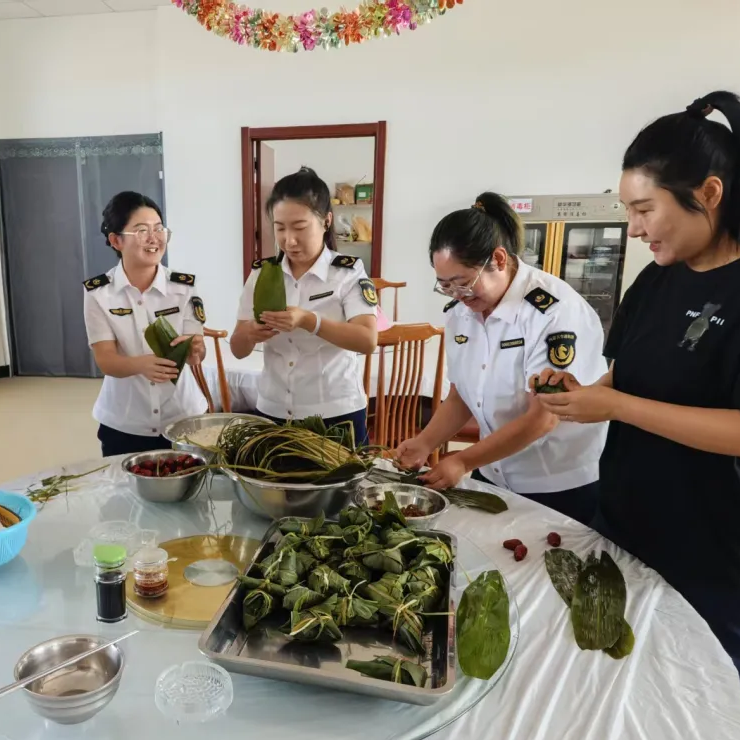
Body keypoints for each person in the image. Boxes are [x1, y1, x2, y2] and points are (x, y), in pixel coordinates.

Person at [535, 91, 740, 740]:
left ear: (709, 193)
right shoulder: (656, 282)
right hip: (629, 524)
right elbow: (624, 377)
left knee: (722, 715)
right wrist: (583, 396)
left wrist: (618, 406)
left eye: (644, 209)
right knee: (632, 686)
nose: (634, 228)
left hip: (719, 548)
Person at [395, 192, 607, 525]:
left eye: (463, 283)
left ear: (498, 258)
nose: (458, 295)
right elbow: (461, 395)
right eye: (445, 285)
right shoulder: (461, 313)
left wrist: (463, 461)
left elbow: (545, 418)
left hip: (556, 483)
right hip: (494, 471)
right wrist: (425, 442)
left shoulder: (553, 312)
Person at [230, 167, 378, 445]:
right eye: (279, 228)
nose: (289, 240)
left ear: (326, 221)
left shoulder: (347, 272)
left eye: (299, 228)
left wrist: (310, 321)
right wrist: (250, 332)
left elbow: (367, 340)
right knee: (274, 488)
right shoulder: (262, 274)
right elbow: (238, 349)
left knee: (339, 489)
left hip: (335, 414)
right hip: (273, 412)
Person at [83, 191, 206, 457]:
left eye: (159, 229)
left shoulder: (184, 287)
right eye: (141, 231)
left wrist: (196, 351)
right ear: (116, 240)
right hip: (125, 422)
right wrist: (141, 365)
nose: (154, 238)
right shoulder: (98, 293)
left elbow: (197, 352)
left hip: (183, 416)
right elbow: (106, 360)